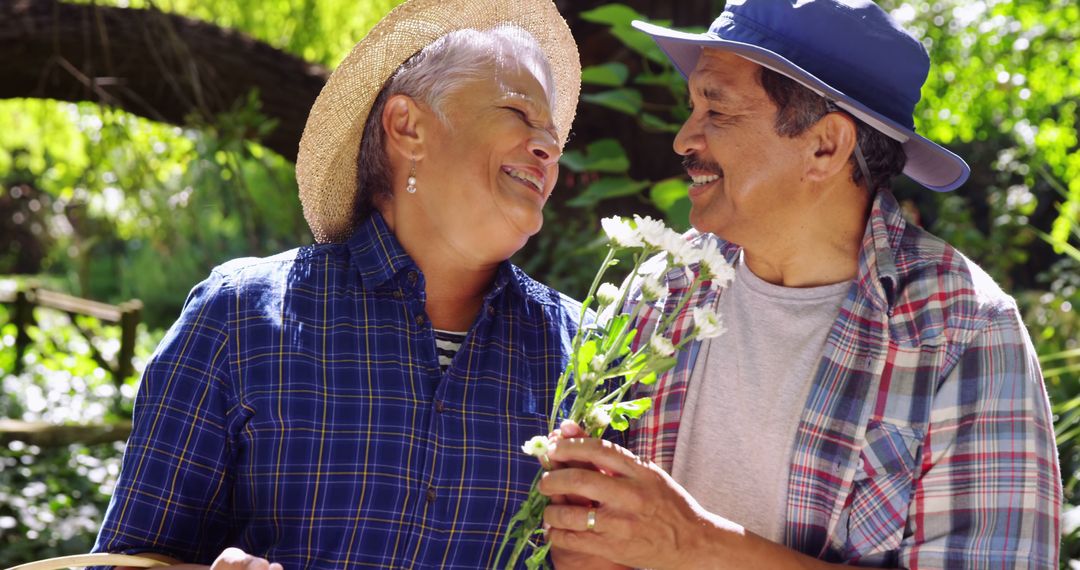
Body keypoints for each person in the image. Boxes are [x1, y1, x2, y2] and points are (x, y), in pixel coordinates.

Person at [539, 1, 1061, 568]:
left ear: (825, 147)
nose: (684, 140)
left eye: (717, 110)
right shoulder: (661, 291)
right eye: (693, 108)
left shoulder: (962, 331)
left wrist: (692, 545)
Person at [91, 0, 583, 567]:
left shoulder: (590, 356)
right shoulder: (240, 317)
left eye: (552, 135)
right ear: (408, 126)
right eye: (519, 114)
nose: (548, 149)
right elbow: (121, 560)